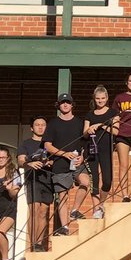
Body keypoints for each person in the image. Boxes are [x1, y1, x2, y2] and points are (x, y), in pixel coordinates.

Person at [43, 92, 93, 233]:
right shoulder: (53, 123)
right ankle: (65, 227)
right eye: (63, 102)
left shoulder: (79, 122)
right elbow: (47, 145)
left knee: (85, 182)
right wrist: (64, 154)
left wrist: (82, 157)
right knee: (63, 195)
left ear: (72, 104)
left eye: (68, 102)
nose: (65, 104)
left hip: (77, 162)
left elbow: (86, 143)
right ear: (58, 105)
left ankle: (75, 210)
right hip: (59, 163)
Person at [17, 116, 53, 250]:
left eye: (43, 124)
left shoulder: (50, 144)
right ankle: (33, 244)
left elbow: (56, 159)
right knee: (34, 210)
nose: (40, 127)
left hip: (48, 179)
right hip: (33, 179)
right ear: (32, 128)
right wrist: (29, 163)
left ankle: (39, 242)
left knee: (44, 211)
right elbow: (20, 161)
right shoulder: (25, 143)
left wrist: (50, 162)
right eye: (37, 125)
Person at [84, 85, 119, 219]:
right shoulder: (89, 114)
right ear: (94, 99)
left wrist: (101, 125)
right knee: (95, 180)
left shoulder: (112, 113)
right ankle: (96, 209)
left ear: (107, 98)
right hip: (91, 150)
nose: (100, 101)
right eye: (98, 98)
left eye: (103, 98)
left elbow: (116, 131)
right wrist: (89, 130)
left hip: (106, 149)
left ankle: (102, 204)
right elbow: (84, 134)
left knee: (107, 180)